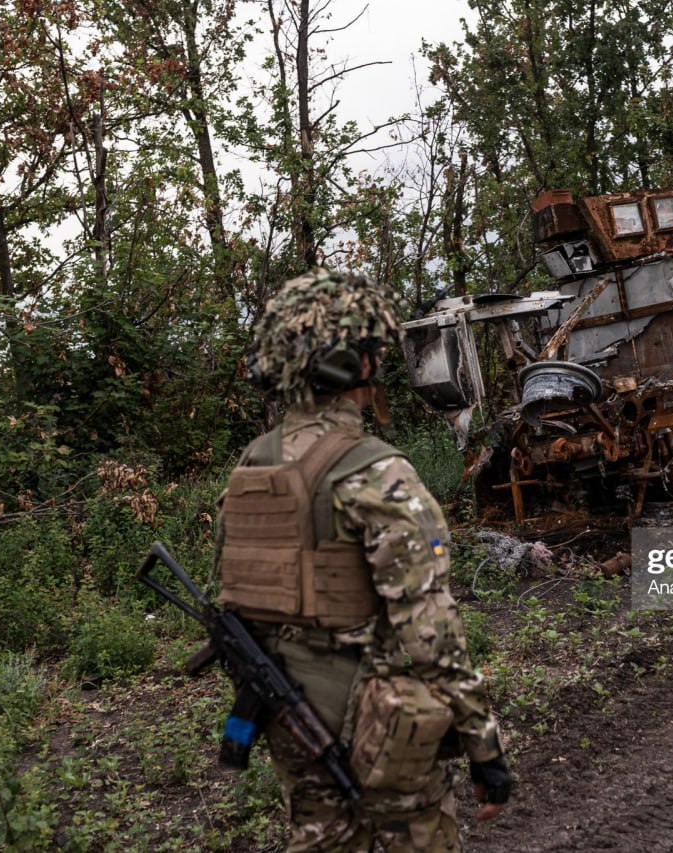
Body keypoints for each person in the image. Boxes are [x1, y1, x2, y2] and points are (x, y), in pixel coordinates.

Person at [214, 268, 511, 852]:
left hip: (286, 715)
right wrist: (483, 744)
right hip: (379, 718)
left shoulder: (250, 467)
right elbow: (430, 628)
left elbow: (239, 598)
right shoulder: (377, 472)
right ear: (359, 365)